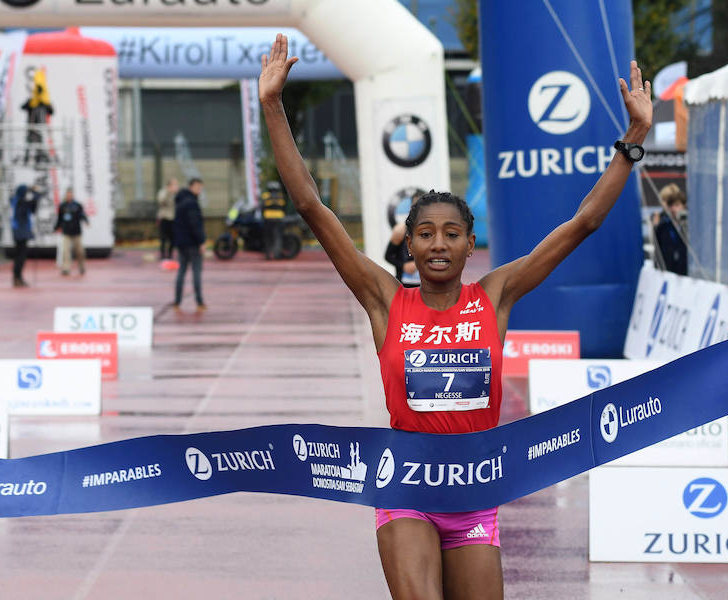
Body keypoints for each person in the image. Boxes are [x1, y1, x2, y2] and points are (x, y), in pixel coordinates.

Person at [259, 33, 652, 599]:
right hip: (405, 489)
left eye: (451, 234)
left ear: (472, 245)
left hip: (473, 491)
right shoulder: (386, 300)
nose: (438, 244)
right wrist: (274, 106)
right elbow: (310, 207)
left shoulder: (495, 296)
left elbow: (583, 223)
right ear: (410, 248)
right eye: (425, 234)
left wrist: (634, 139)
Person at [172, 178, 207, 312]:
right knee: (196, 273)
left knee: (181, 272)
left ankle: (177, 301)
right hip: (192, 243)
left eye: (201, 188)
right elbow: (195, 224)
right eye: (198, 187)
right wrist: (201, 241)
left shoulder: (180, 201)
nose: (200, 190)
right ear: (191, 187)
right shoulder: (192, 203)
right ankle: (200, 301)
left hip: (181, 243)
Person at [653, 182, 688, 275]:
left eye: (676, 205)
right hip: (668, 271)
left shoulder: (688, 224)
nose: (672, 209)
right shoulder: (663, 224)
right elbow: (659, 251)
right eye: (670, 205)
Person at [53, 187, 89, 276]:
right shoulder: (62, 206)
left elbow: (82, 214)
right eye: (68, 194)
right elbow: (59, 218)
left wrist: (85, 220)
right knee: (66, 251)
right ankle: (66, 268)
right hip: (66, 231)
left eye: (70, 194)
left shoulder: (77, 205)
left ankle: (81, 267)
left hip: (76, 231)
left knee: (80, 251)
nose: (69, 196)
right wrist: (56, 227)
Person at [9, 184, 38, 288]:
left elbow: (33, 208)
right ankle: (17, 277)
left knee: (20, 256)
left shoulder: (15, 200)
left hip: (18, 231)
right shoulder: (20, 202)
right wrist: (35, 193)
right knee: (20, 257)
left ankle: (18, 277)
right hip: (21, 232)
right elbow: (32, 204)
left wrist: (33, 193)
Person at [384, 221, 420, 287]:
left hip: (425, 286)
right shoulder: (400, 231)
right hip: (404, 284)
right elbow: (388, 256)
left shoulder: (431, 231)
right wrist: (403, 266)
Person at [262, 180, 288, 259]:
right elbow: (284, 208)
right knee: (277, 237)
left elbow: (262, 207)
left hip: (268, 219)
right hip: (278, 219)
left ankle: (268, 255)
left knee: (268, 237)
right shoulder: (281, 196)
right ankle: (277, 254)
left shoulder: (265, 196)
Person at [157, 177, 178, 260]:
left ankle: (170, 254)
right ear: (169, 185)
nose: (176, 186)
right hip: (164, 217)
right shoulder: (163, 192)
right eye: (174, 184)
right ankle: (162, 254)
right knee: (163, 238)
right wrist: (168, 192)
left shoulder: (177, 194)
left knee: (173, 238)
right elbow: (161, 201)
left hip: (173, 218)